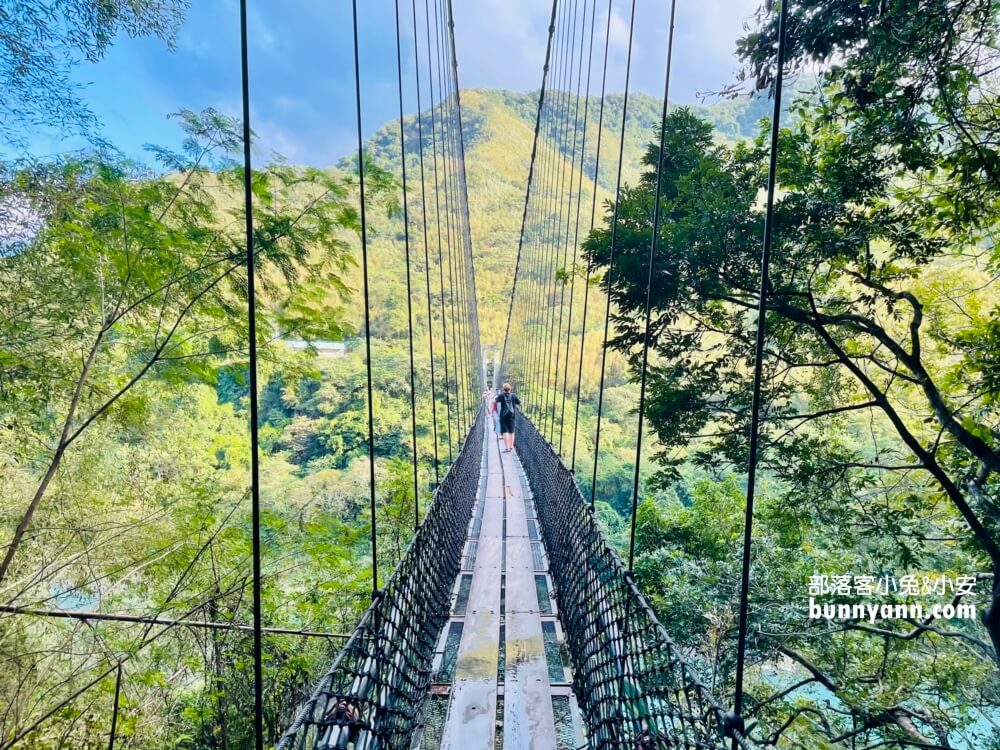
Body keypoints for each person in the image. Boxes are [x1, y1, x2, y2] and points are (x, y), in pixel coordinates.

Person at [494, 382, 521, 453]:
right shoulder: (513, 396)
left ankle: (507, 448)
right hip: (512, 416)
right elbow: (520, 403)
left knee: (505, 432)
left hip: (503, 416)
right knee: (512, 432)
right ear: (510, 388)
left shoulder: (501, 396)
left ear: (503, 389)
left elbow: (494, 401)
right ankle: (511, 447)